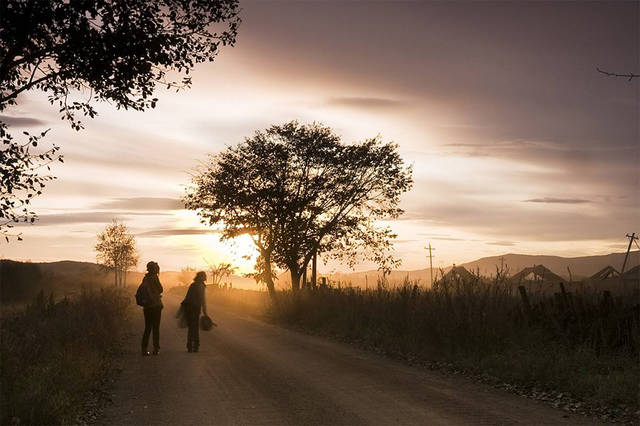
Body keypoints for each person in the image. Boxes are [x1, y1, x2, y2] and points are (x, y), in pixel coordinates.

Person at [141, 261, 163, 356]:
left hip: (147, 306)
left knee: (147, 328)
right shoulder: (155, 277)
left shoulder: (145, 278)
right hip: (156, 306)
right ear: (155, 269)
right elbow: (161, 289)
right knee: (156, 328)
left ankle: (144, 349)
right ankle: (156, 349)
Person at [182, 271, 208, 353]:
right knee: (195, 328)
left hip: (189, 308)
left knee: (191, 328)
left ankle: (189, 346)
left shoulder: (192, 285)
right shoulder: (200, 286)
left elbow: (187, 297)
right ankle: (195, 346)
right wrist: (205, 311)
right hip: (195, 309)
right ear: (202, 277)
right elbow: (202, 299)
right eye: (204, 276)